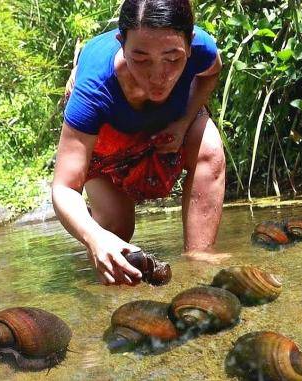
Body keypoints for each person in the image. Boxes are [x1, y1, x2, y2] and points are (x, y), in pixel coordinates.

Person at [51, 0, 227, 286]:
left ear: (190, 43)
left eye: (173, 59)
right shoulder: (94, 89)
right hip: (107, 137)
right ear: (121, 43)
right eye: (141, 59)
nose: (158, 76)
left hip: (166, 122)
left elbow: (212, 71)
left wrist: (183, 122)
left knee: (208, 146)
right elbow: (64, 187)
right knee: (117, 231)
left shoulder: (201, 48)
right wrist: (95, 237)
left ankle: (200, 259)